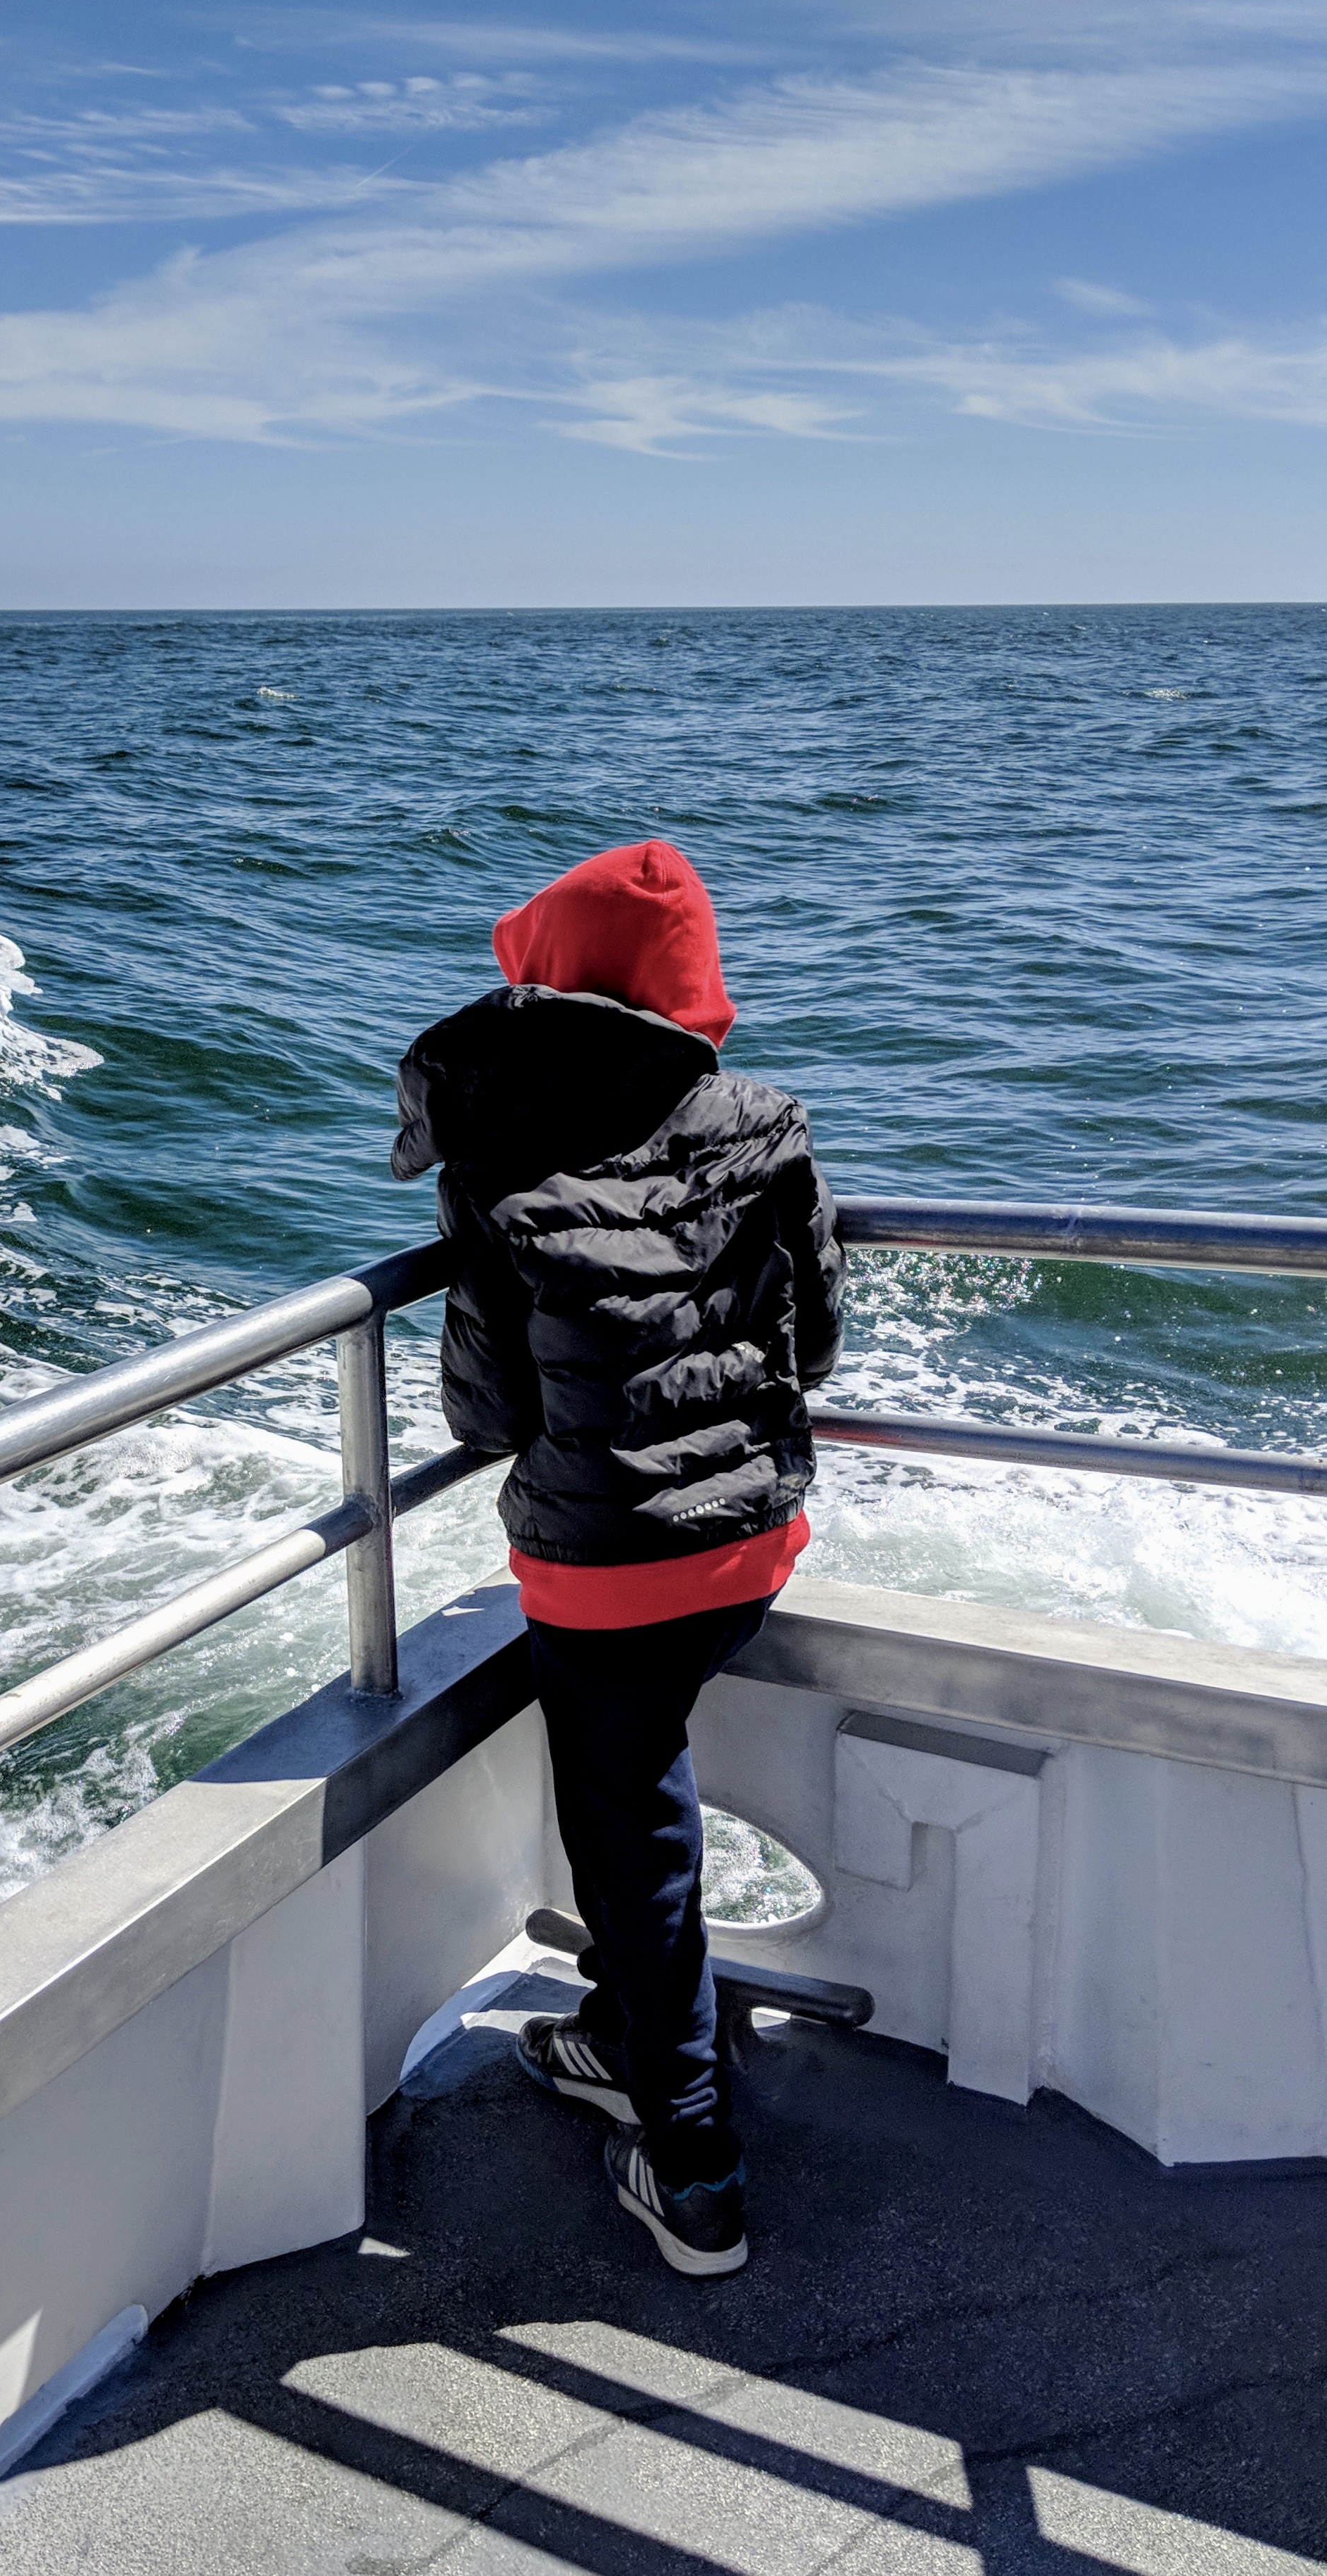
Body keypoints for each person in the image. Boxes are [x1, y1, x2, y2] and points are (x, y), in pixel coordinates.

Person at [391, 839, 844, 2278]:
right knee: (633, 1814)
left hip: (604, 1571)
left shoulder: (502, 1156)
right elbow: (816, 1340)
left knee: (632, 1842)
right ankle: (614, 2029)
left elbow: (484, 1411)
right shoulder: (764, 1123)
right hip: (751, 1539)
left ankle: (694, 2168)